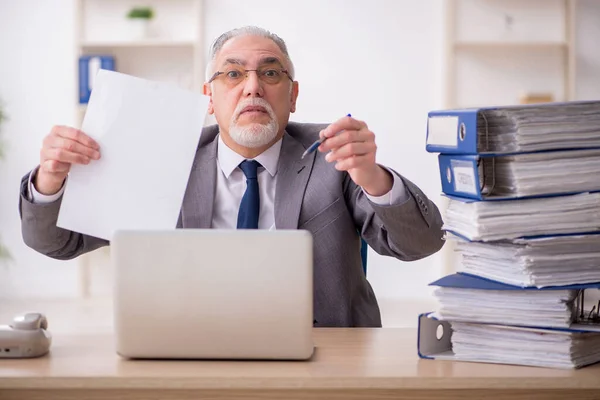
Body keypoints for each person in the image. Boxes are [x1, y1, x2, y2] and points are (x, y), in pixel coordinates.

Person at [19, 26, 444, 327]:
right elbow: (56, 242)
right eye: (233, 73)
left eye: (271, 73)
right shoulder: (166, 157)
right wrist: (50, 180)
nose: (253, 87)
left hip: (326, 356)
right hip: (192, 350)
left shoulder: (334, 153)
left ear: (293, 95)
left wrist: (373, 178)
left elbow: (421, 243)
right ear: (209, 96)